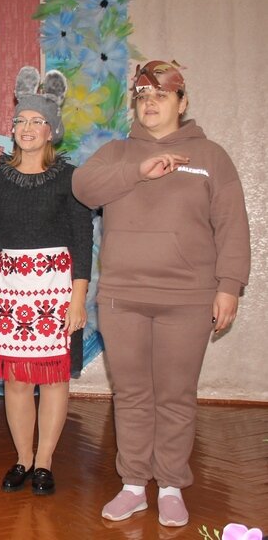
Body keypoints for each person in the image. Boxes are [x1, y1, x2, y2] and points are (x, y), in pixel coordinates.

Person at [72, 60, 250, 527]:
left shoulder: (210, 156)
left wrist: (229, 287)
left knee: (175, 396)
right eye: (143, 96)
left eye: (162, 95)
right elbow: (83, 188)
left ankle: (170, 485)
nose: (150, 103)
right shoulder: (116, 153)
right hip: (123, 297)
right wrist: (138, 171)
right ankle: (133, 485)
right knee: (130, 394)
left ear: (182, 102)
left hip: (188, 298)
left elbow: (232, 226)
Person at [0, 67, 93, 496]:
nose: (26, 128)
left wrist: (78, 300)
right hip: (10, 290)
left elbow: (82, 239)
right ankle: (23, 458)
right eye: (20, 120)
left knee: (55, 380)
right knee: (17, 381)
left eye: (37, 120)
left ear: (51, 129)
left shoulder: (70, 177)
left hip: (56, 291)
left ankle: (44, 462)